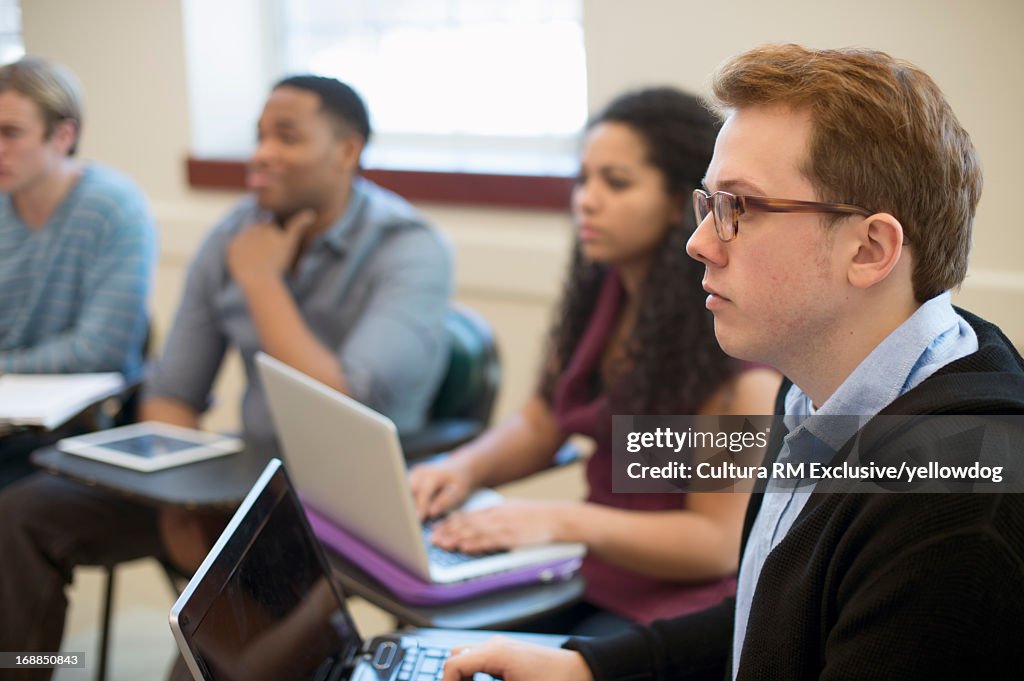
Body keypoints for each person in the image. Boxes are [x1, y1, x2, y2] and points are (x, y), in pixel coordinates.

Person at [441, 45, 1024, 681]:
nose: (698, 243)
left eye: (739, 209)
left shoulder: (958, 500)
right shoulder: (813, 390)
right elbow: (767, 620)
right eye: (709, 204)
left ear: (869, 248)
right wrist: (587, 670)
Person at [0, 74, 452, 675]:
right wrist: (176, 499)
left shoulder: (410, 247)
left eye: (286, 137)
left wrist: (261, 281)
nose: (262, 153)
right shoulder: (235, 234)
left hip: (341, 505)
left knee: (206, 647)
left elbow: (345, 405)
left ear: (347, 150)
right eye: (259, 135)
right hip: (228, 484)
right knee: (21, 515)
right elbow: (172, 395)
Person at [409, 87, 781, 635]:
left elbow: (716, 544)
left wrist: (558, 520)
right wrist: (461, 468)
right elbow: (542, 420)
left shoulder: (738, 357)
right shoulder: (601, 292)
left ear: (682, 200)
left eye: (617, 182)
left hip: (681, 614)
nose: (587, 199)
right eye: (584, 180)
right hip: (593, 575)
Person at [0, 56, 156, 489]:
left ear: (64, 135)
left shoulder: (113, 207)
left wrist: (4, 368)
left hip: (80, 425)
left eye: (11, 133)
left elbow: (99, 350)